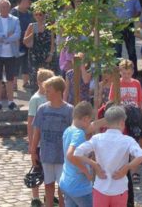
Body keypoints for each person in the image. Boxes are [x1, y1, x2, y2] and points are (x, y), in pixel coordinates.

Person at [74, 106, 142, 207]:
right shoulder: (127, 140)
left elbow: (77, 152)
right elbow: (141, 156)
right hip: (120, 189)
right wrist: (127, 167)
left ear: (106, 123)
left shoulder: (97, 138)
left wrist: (94, 165)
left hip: (100, 188)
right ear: (122, 123)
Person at [30, 76, 74, 207]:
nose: (46, 93)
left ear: (58, 91)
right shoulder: (42, 109)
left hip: (62, 156)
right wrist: (33, 151)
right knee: (48, 184)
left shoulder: (69, 110)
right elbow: (36, 131)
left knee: (62, 187)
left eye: (49, 90)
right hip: (46, 155)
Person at [27, 68, 54, 207]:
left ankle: (48, 195)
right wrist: (31, 144)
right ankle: (35, 197)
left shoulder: (52, 98)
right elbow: (30, 122)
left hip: (50, 142)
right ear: (39, 83)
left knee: (50, 169)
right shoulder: (35, 99)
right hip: (38, 143)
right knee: (36, 170)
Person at [59, 101, 94, 207]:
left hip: (66, 182)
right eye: (89, 121)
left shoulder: (68, 130)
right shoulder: (79, 133)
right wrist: (86, 171)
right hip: (79, 186)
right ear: (85, 118)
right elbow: (70, 155)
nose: (89, 124)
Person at [0, 0, 21, 111]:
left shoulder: (15, 19)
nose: (5, 9)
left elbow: (17, 34)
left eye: (7, 7)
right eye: (2, 7)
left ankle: (11, 102)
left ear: (9, 7)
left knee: (10, 79)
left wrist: (4, 39)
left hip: (11, 53)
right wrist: (6, 35)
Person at [113, 0, 142, 76]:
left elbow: (139, 11)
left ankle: (134, 75)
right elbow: (107, 10)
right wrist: (114, 18)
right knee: (117, 51)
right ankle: (117, 75)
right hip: (117, 25)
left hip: (129, 25)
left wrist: (131, 18)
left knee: (132, 51)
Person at [24, 11, 57, 93]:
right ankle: (35, 96)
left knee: (47, 77)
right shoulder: (32, 26)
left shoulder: (50, 26)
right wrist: (33, 33)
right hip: (34, 55)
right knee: (34, 77)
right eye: (36, 14)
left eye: (40, 14)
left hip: (46, 54)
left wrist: (51, 54)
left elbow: (53, 42)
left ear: (44, 15)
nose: (38, 16)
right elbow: (25, 41)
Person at [11, 0, 33, 89]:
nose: (30, 2)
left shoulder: (29, 13)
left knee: (26, 61)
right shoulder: (14, 12)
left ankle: (25, 82)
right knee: (16, 62)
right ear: (22, 0)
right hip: (17, 41)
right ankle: (14, 83)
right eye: (28, 0)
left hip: (27, 41)